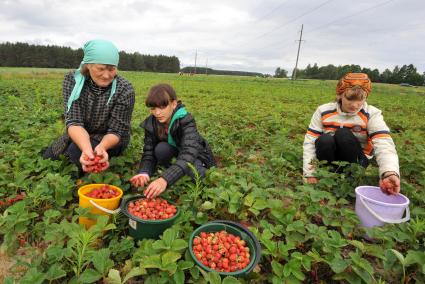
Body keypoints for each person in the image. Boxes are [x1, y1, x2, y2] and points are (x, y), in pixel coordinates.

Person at [43, 39, 135, 174]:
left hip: (110, 138)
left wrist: (102, 147)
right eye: (101, 69)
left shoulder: (125, 89)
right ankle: (77, 151)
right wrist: (86, 148)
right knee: (49, 157)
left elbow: (117, 130)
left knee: (75, 153)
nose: (106, 75)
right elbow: (74, 122)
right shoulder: (73, 80)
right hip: (81, 132)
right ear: (88, 65)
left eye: (112, 69)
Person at [303, 72, 400, 194]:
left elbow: (384, 143)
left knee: (343, 134)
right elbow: (310, 142)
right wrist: (309, 173)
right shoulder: (323, 111)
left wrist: (389, 172)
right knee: (324, 140)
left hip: (357, 160)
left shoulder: (372, 114)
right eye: (349, 99)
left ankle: (351, 178)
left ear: (366, 97)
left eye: (361, 99)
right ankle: (329, 174)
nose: (355, 105)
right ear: (339, 95)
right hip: (331, 158)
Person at [130, 83, 215, 198]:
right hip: (177, 152)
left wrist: (165, 179)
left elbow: (188, 154)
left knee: (197, 174)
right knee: (161, 150)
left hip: (197, 156)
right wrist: (144, 172)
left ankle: (185, 173)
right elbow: (149, 153)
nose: (157, 113)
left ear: (174, 104)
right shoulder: (151, 123)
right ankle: (176, 170)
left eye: (162, 107)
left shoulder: (186, 120)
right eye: (153, 108)